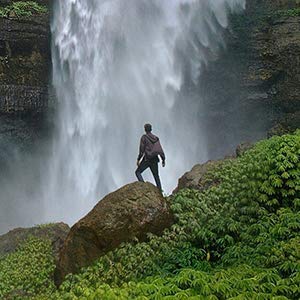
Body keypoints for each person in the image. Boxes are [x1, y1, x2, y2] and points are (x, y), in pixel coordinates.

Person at [135, 123, 165, 192]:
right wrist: (163, 159)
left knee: (138, 172)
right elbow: (159, 149)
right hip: (155, 159)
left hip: (147, 159)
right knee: (156, 176)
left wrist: (138, 159)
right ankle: (160, 192)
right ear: (151, 129)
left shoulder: (144, 137)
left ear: (145, 129)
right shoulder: (156, 138)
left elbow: (141, 150)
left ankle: (143, 186)